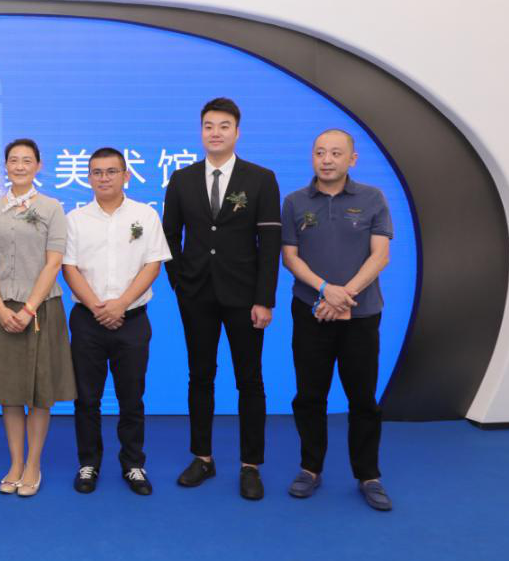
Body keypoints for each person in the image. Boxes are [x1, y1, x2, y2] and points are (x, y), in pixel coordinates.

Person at [161, 97, 282, 500]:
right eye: (209, 126)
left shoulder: (261, 178)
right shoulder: (182, 179)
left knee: (250, 380)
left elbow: (270, 244)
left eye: (224, 126)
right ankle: (203, 457)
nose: (215, 133)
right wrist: (179, 283)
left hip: (245, 297)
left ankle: (251, 465)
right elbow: (169, 236)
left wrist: (265, 299)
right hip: (196, 294)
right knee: (200, 376)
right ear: (201, 131)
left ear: (237, 132)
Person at [281, 129, 394, 511]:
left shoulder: (372, 198)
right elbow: (290, 257)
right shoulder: (295, 202)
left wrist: (344, 295)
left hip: (361, 314)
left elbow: (380, 256)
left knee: (362, 399)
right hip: (310, 311)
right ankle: (310, 468)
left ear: (352, 159)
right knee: (309, 396)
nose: (326, 160)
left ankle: (368, 474)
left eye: (335, 153)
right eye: (319, 152)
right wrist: (325, 290)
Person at [62, 147, 173, 496]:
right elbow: (69, 267)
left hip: (133, 319)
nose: (104, 178)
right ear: (88, 177)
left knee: (132, 397)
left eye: (111, 171)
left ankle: (133, 464)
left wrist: (121, 304)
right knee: (86, 398)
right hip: (87, 320)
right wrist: (98, 307)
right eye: (97, 172)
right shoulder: (75, 219)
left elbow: (153, 264)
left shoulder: (145, 215)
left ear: (126, 175)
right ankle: (88, 463)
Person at [0, 139, 75, 497]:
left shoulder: (52, 208)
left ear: (38, 165)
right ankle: (15, 463)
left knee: (39, 392)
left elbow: (54, 262)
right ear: (5, 166)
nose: (19, 166)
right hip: (1, 309)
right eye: (14, 160)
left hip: (41, 309)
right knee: (10, 391)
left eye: (27, 160)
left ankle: (33, 464)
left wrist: (29, 307)